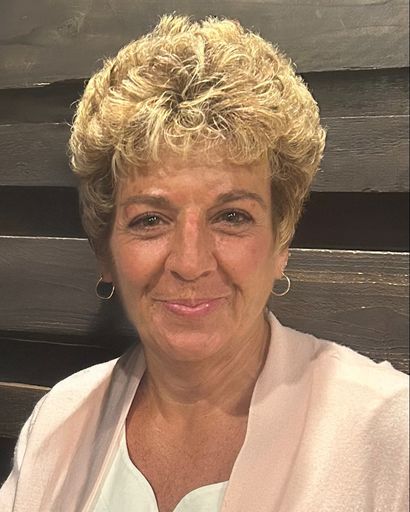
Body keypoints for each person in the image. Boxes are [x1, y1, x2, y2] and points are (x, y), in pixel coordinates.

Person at [0, 14, 408, 512]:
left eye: (231, 216)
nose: (190, 263)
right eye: (150, 220)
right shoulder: (58, 422)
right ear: (105, 250)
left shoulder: (389, 432)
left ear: (281, 241)